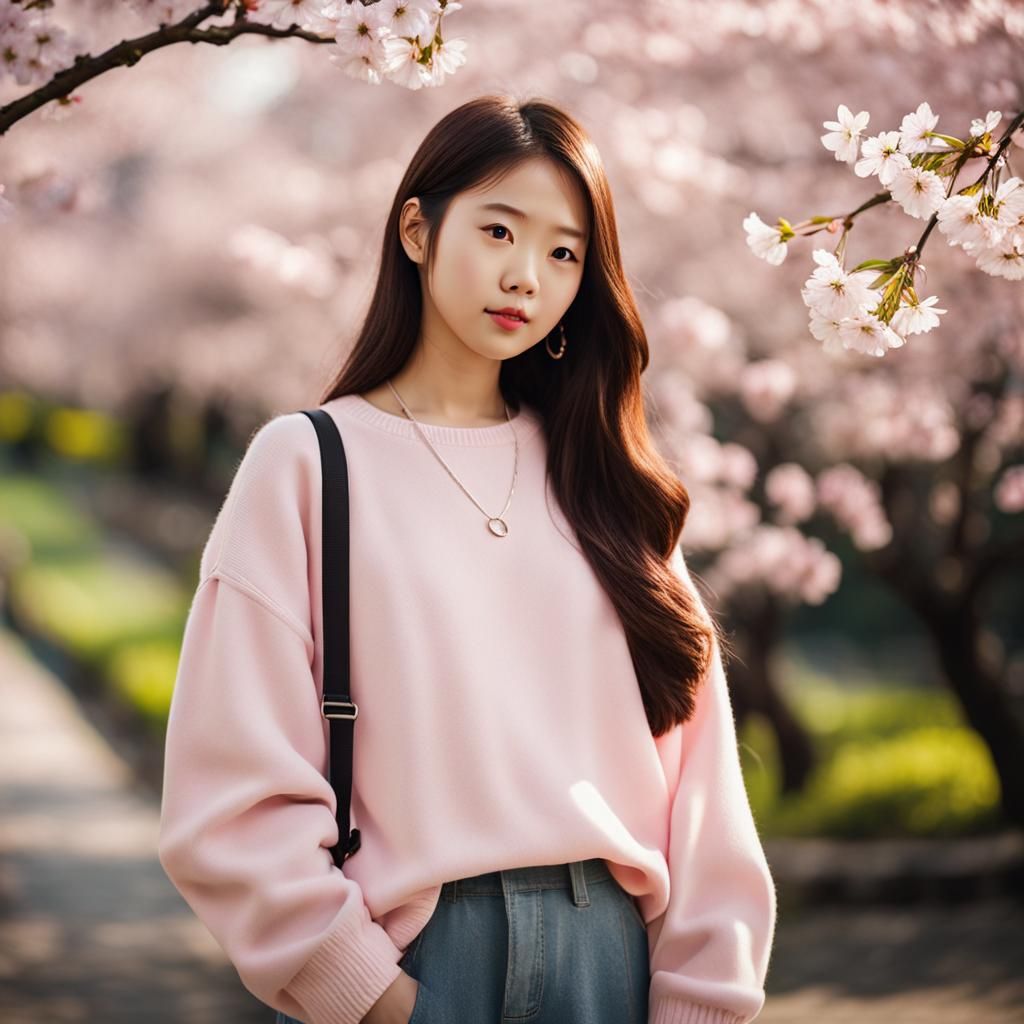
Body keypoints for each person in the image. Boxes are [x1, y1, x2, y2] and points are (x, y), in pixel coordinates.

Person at [157, 92, 777, 1024]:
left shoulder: (604, 477)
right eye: (498, 230)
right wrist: (373, 995)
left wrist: (702, 1000)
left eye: (564, 252)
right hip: (417, 960)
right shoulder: (308, 464)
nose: (526, 275)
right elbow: (228, 785)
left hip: (610, 961)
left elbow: (702, 785)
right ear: (416, 228)